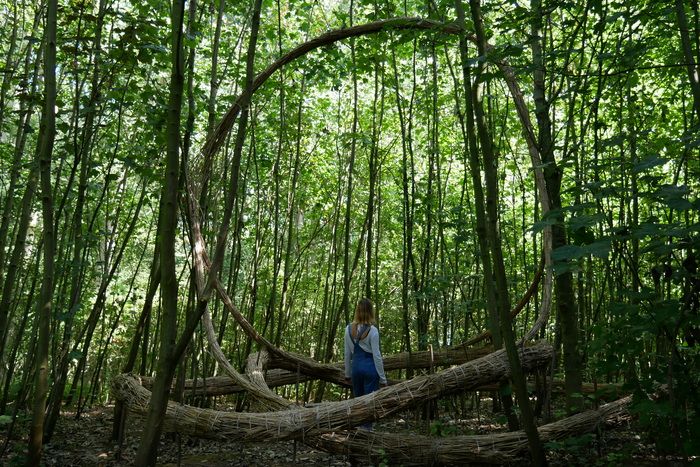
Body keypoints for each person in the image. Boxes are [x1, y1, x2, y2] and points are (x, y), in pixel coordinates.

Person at [344, 298, 387, 403]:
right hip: (370, 370)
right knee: (370, 404)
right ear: (370, 312)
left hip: (356, 370)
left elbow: (347, 354)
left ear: (357, 311)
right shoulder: (373, 331)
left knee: (358, 404)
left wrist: (347, 374)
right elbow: (377, 356)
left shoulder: (348, 329)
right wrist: (383, 378)